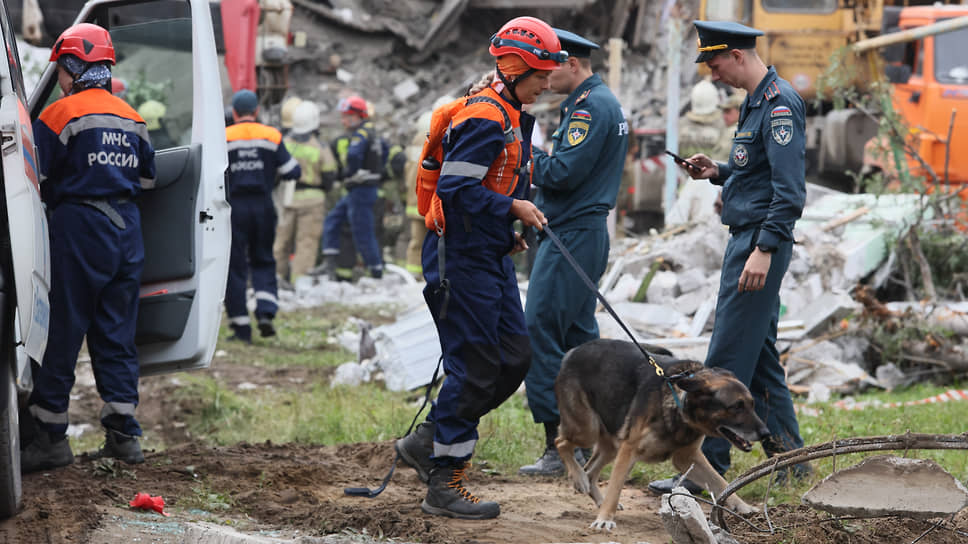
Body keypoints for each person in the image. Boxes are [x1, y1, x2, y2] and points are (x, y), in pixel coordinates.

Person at [394, 16, 561, 519]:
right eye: (540, 75)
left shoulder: (511, 110)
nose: (547, 84)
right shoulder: (487, 116)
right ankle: (445, 482)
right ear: (514, 70)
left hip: (487, 252)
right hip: (458, 260)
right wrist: (513, 210)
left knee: (514, 357)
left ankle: (427, 439)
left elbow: (492, 181)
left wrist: (503, 232)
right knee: (476, 366)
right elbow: (456, 189)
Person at [648, 20, 810, 496]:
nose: (712, 73)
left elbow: (789, 192)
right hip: (748, 238)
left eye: (715, 62)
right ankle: (792, 464)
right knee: (759, 365)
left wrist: (763, 250)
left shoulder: (780, 106)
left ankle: (700, 474)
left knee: (721, 366)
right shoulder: (756, 102)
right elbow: (757, 174)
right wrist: (717, 170)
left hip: (758, 244)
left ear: (737, 55)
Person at [22, 23, 156, 472]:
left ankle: (49, 438)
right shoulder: (132, 117)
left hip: (80, 226)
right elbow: (147, 180)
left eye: (61, 67)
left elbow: (32, 177)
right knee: (117, 332)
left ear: (74, 65)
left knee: (61, 329)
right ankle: (124, 436)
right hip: (128, 230)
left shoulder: (59, 115)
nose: (60, 77)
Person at [517, 29, 629, 477]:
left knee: (539, 328)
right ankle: (593, 436)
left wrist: (524, 156)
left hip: (573, 232)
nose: (544, 76)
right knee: (579, 338)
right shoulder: (595, 103)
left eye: (549, 66)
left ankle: (558, 443)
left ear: (572, 64)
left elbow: (562, 171)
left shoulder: (590, 107)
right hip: (580, 231)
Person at [224, 89, 301, 343]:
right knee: (263, 259)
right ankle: (266, 312)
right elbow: (292, 171)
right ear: (256, 111)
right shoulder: (271, 135)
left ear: (234, 113)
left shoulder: (224, 137)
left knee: (235, 266)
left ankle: (241, 328)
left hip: (234, 209)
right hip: (263, 207)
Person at [317, 95, 385, 280]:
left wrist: (349, 172)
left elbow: (354, 154)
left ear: (358, 116)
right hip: (358, 190)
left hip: (361, 189)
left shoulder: (362, 134)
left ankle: (376, 271)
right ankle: (329, 263)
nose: (343, 120)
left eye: (347, 116)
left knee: (363, 232)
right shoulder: (373, 133)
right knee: (333, 220)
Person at [274, 100, 338, 281]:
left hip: (286, 198)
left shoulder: (284, 143)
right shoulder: (320, 147)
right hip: (313, 199)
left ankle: (275, 279)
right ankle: (299, 281)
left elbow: (275, 171)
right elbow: (330, 175)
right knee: (306, 243)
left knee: (281, 241)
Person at [666, 78, 727, 225]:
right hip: (713, 183)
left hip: (687, 182)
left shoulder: (681, 125)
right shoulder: (722, 124)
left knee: (684, 222)